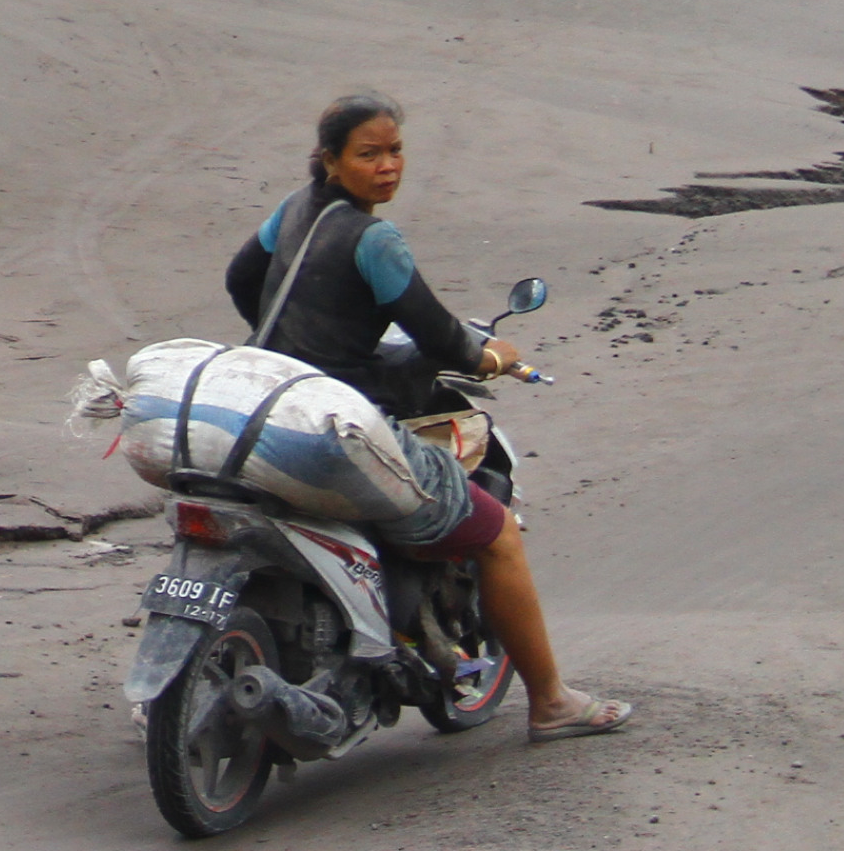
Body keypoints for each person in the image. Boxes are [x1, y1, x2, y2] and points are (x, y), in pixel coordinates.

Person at [222, 93, 633, 744]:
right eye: (369, 154)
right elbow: (440, 336)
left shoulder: (293, 211)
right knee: (496, 533)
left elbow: (242, 278)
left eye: (395, 151)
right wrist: (490, 355)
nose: (387, 167)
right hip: (334, 428)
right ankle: (551, 700)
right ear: (330, 159)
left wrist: (298, 338)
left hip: (269, 404)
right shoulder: (374, 239)